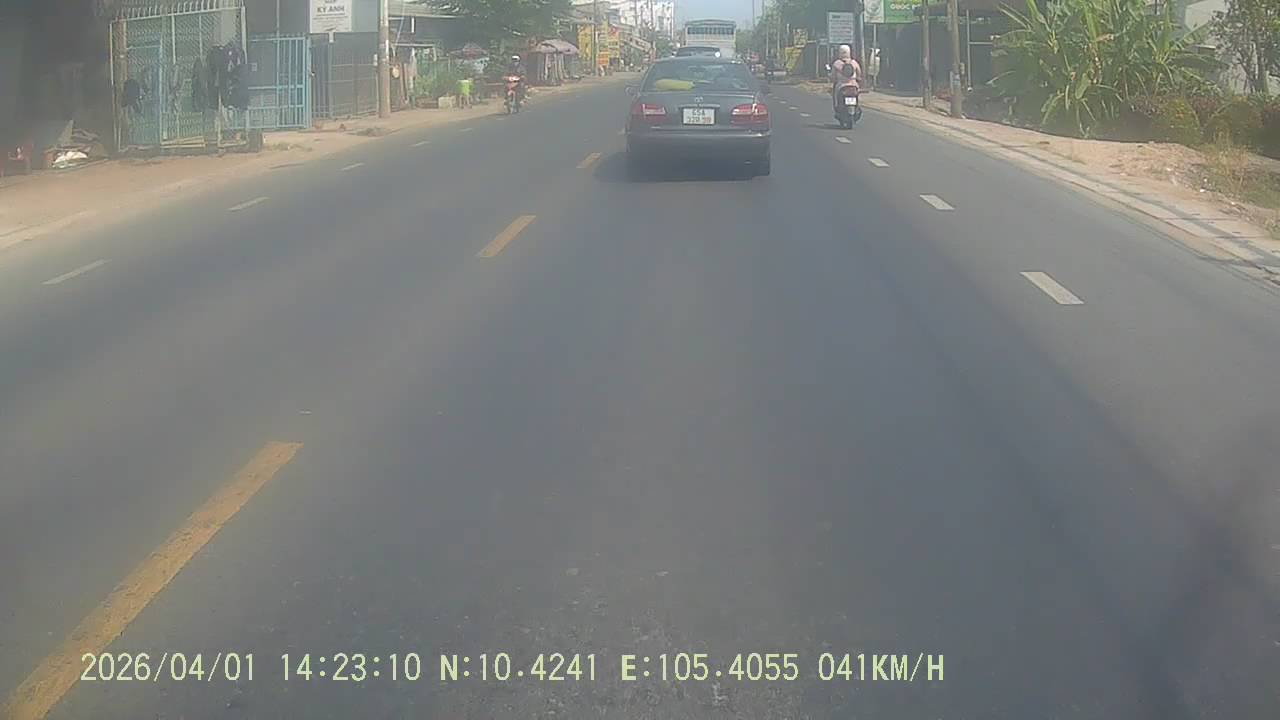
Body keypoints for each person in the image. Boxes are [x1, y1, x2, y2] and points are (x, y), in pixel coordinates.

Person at [829, 44, 861, 115]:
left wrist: (832, 78)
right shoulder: (854, 62)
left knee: (835, 95)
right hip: (854, 85)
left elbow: (833, 76)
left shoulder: (837, 63)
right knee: (857, 94)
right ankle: (857, 107)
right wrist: (858, 78)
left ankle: (838, 107)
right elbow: (859, 73)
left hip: (841, 85)